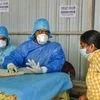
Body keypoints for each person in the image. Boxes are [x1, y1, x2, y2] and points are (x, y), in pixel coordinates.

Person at [79, 30, 100, 100]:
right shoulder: (93, 59)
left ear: (91, 46)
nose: (81, 49)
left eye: (82, 46)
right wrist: (87, 95)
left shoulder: (97, 56)